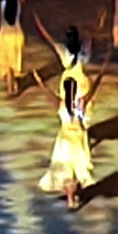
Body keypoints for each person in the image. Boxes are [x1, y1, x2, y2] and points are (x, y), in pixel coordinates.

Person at [36, 73, 99, 209]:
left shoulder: (64, 103)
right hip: (73, 140)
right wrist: (100, 76)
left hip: (68, 140)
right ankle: (71, 197)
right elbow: (92, 90)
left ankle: (71, 197)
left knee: (69, 170)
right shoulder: (78, 102)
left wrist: (40, 82)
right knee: (72, 170)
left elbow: (47, 93)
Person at [0, 0, 36, 94]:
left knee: (7, 65)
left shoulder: (2, 3)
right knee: (12, 64)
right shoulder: (18, 2)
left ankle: (11, 87)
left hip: (5, 35)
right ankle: (13, 86)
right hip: (17, 35)